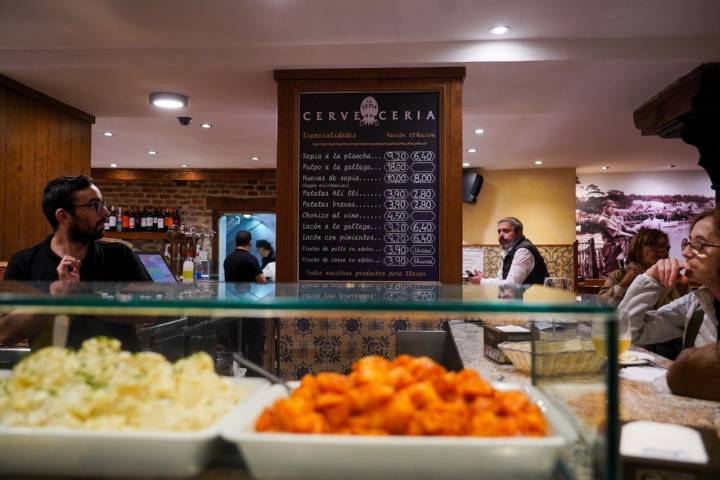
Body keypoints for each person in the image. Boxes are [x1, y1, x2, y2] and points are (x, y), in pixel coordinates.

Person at [1, 175, 149, 349]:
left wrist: (85, 298)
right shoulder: (24, 262)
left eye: (102, 204)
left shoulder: (120, 255)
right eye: (94, 205)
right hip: (56, 372)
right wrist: (54, 299)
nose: (106, 212)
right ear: (63, 216)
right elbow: (5, 334)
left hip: (116, 370)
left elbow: (149, 314)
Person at [618, 209, 720, 350]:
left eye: (698, 244)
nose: (685, 252)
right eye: (688, 243)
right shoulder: (695, 305)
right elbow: (625, 333)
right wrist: (649, 278)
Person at [469, 217, 549, 285]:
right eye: (499, 231)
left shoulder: (523, 250)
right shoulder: (509, 251)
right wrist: (482, 280)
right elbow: (501, 280)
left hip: (533, 301)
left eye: (506, 231)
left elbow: (511, 284)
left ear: (518, 233)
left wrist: (482, 281)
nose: (501, 235)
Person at [596, 200, 635, 276]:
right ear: (605, 208)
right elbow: (616, 233)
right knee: (610, 272)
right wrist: (630, 235)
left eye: (614, 208)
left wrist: (635, 231)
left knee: (619, 271)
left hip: (618, 246)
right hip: (610, 247)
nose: (614, 210)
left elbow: (624, 227)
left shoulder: (612, 217)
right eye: (612, 208)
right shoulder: (602, 220)